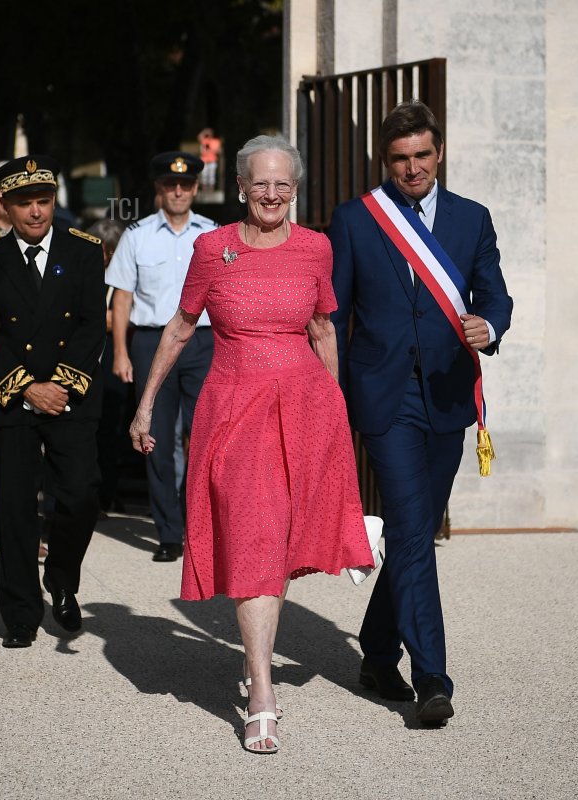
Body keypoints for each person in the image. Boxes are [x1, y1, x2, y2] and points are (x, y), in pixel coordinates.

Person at [130, 135, 372, 754]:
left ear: (295, 189)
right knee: (254, 532)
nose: (271, 194)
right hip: (234, 407)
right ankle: (262, 690)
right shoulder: (213, 249)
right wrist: (148, 400)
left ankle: (255, 657)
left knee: (281, 533)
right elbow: (182, 327)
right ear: (240, 187)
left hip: (302, 401)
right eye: (260, 183)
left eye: (282, 184)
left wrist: (334, 407)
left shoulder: (317, 248)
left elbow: (322, 328)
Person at [329, 100, 513, 726]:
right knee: (413, 529)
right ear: (388, 160)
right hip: (384, 397)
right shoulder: (355, 220)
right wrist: (330, 393)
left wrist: (490, 324)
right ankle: (431, 673)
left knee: (413, 531)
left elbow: (494, 290)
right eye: (401, 159)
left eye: (422, 156)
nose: (412, 168)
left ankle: (378, 650)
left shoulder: (471, 219)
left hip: (448, 391)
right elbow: (334, 315)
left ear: (440, 153)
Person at [0, 155, 107, 648]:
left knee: (80, 494)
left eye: (44, 200)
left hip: (70, 396)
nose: (36, 212)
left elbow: (91, 325)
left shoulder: (83, 250)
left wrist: (60, 384)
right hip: (14, 398)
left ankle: (60, 576)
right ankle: (20, 615)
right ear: (5, 206)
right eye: (24, 203)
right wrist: (25, 386)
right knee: (14, 506)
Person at [108, 152, 217, 562]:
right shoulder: (137, 234)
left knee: (206, 438)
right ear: (158, 189)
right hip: (152, 342)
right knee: (154, 438)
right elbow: (122, 296)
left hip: (203, 345)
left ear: (194, 188)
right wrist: (120, 350)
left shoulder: (212, 234)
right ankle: (169, 533)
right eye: (170, 185)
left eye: (185, 185)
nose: (178, 191)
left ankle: (200, 526)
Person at [87, 217, 130, 513]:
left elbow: (121, 319)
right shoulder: (86, 276)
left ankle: (107, 492)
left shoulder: (124, 280)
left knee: (112, 431)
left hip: (115, 362)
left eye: (103, 249)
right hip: (87, 364)